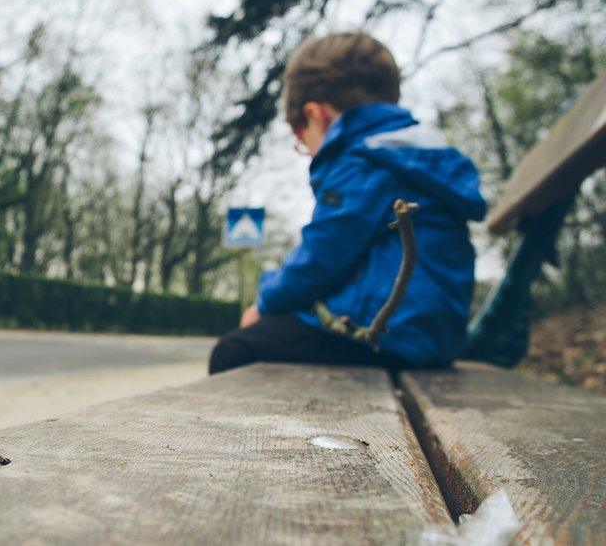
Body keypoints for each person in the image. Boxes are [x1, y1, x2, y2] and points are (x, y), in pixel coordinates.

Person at [209, 32, 487, 375]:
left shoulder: (365, 161)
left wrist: (264, 301)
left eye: (303, 141)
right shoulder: (415, 155)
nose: (309, 152)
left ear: (316, 115)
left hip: (384, 337)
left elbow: (321, 258)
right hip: (429, 338)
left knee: (236, 350)